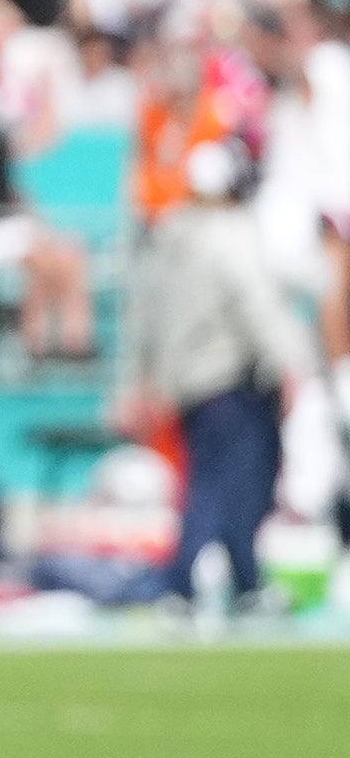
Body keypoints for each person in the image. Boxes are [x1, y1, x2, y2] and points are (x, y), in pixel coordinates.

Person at [122, 137, 315, 622]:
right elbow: (256, 304)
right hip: (231, 380)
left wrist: (144, 378)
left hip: (188, 384)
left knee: (222, 487)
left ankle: (244, 584)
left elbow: (142, 316)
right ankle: (184, 584)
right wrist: (288, 363)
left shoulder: (169, 237)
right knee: (226, 489)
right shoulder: (228, 233)